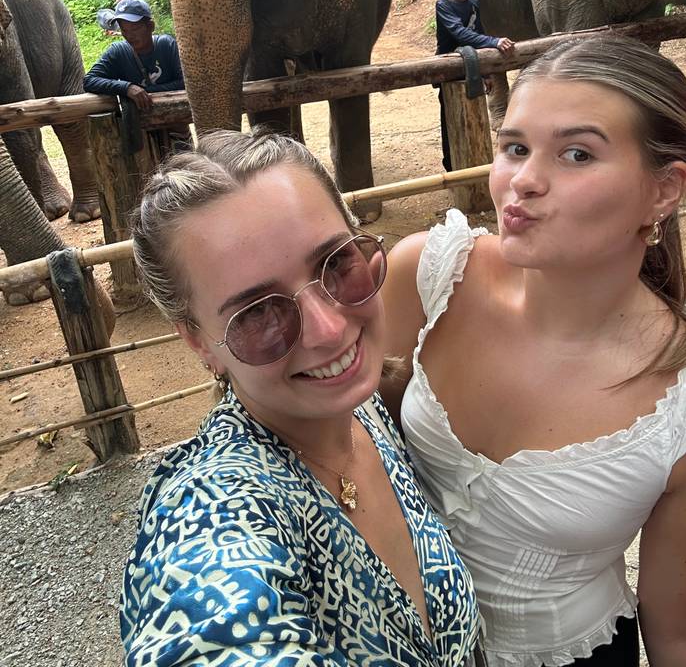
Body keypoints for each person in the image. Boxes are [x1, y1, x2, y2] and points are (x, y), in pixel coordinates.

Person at [382, 35, 686, 666]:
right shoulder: (429, 276)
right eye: (514, 148)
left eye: (575, 153)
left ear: (665, 190)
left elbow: (683, 630)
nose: (523, 182)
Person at [121, 130, 483, 666]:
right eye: (259, 314)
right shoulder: (211, 511)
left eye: (336, 264)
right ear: (198, 339)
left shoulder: (359, 414)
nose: (330, 328)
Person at [436, 0, 515, 171]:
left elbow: (477, 31)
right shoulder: (443, 5)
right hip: (450, 70)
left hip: (472, 67)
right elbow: (460, 33)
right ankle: (451, 166)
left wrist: (486, 72)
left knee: (474, 116)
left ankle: (476, 165)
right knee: (450, 120)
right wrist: (495, 41)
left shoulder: (473, 3)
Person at [84, 0, 184, 110]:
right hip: (138, 125)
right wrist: (127, 88)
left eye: (135, 29)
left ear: (150, 26)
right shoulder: (118, 51)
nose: (130, 36)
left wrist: (145, 92)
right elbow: (89, 81)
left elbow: (185, 82)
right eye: (124, 30)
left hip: (175, 120)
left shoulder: (167, 45)